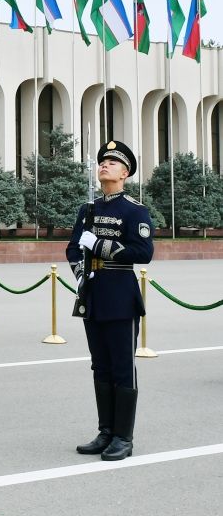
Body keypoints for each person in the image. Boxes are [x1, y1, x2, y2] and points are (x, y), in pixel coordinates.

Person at [67, 140, 153, 462]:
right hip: (93, 292)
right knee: (99, 365)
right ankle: (105, 432)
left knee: (121, 367)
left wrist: (100, 245)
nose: (104, 165)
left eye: (112, 163)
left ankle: (123, 437)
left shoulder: (134, 210)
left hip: (120, 294)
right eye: (102, 161)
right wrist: (79, 274)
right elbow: (73, 248)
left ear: (125, 172)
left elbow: (144, 253)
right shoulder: (88, 209)